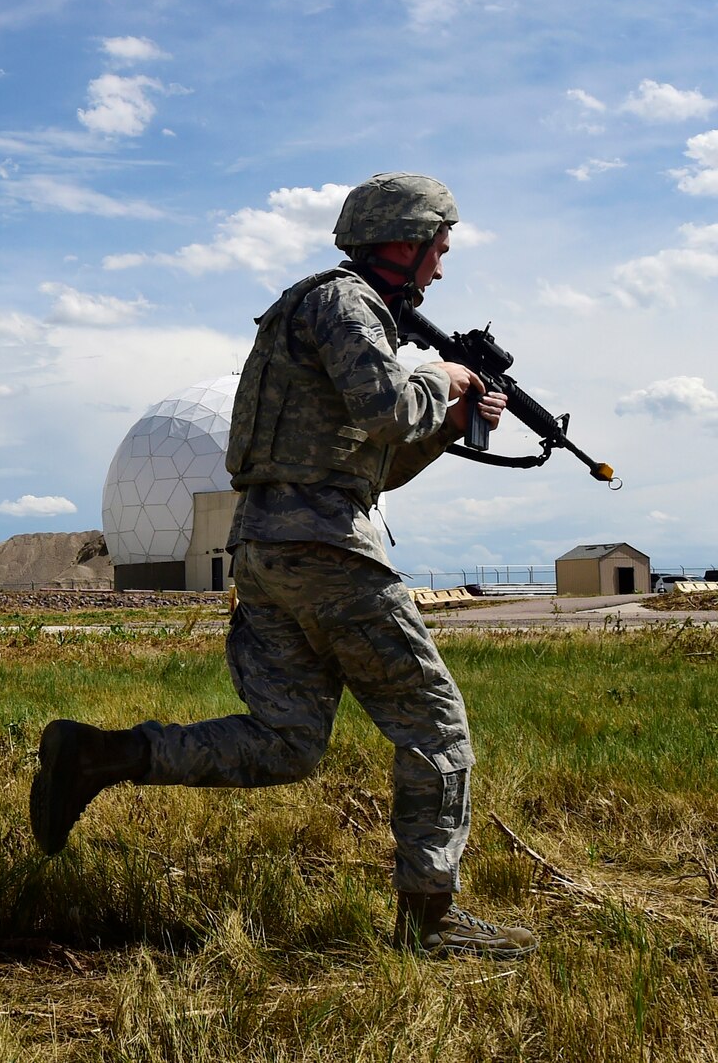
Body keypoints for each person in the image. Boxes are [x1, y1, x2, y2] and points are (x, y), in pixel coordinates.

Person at [30, 172, 538, 961]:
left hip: (270, 551)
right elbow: (388, 407)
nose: (441, 267)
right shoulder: (349, 305)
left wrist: (450, 425)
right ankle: (431, 925)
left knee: (286, 741)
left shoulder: (319, 311)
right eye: (439, 248)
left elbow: (374, 464)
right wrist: (445, 382)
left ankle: (100, 755)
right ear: (402, 242)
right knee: (436, 727)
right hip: (327, 553)